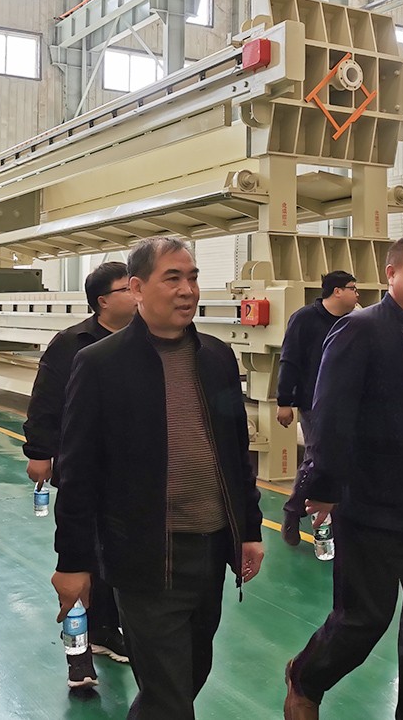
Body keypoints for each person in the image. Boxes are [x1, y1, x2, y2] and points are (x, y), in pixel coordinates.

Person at [51, 236, 265, 720]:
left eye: (192, 278)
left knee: (188, 676)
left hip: (210, 550)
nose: (187, 289)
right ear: (137, 287)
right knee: (169, 695)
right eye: (173, 278)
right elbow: (78, 471)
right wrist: (73, 561)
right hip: (144, 554)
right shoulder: (101, 363)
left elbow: (235, 452)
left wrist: (248, 530)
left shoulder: (217, 358)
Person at [284, 237, 403, 720]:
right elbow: (331, 415)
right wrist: (323, 487)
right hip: (375, 505)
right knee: (362, 620)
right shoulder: (360, 329)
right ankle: (306, 676)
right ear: (391, 274)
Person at [23, 260, 137, 689]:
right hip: (82, 470)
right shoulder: (71, 344)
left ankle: (106, 629)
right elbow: (46, 400)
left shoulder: (145, 340)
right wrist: (39, 452)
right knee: (80, 558)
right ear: (103, 301)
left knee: (117, 558)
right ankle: (78, 653)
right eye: (128, 288)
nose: (137, 294)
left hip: (130, 474)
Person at [277, 270, 359, 546]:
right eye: (352, 288)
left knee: (347, 459)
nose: (357, 294)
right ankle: (293, 511)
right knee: (317, 458)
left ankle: (339, 518)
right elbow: (289, 360)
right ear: (337, 291)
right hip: (314, 403)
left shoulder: (352, 321)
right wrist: (284, 401)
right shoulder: (304, 319)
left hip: (348, 403)